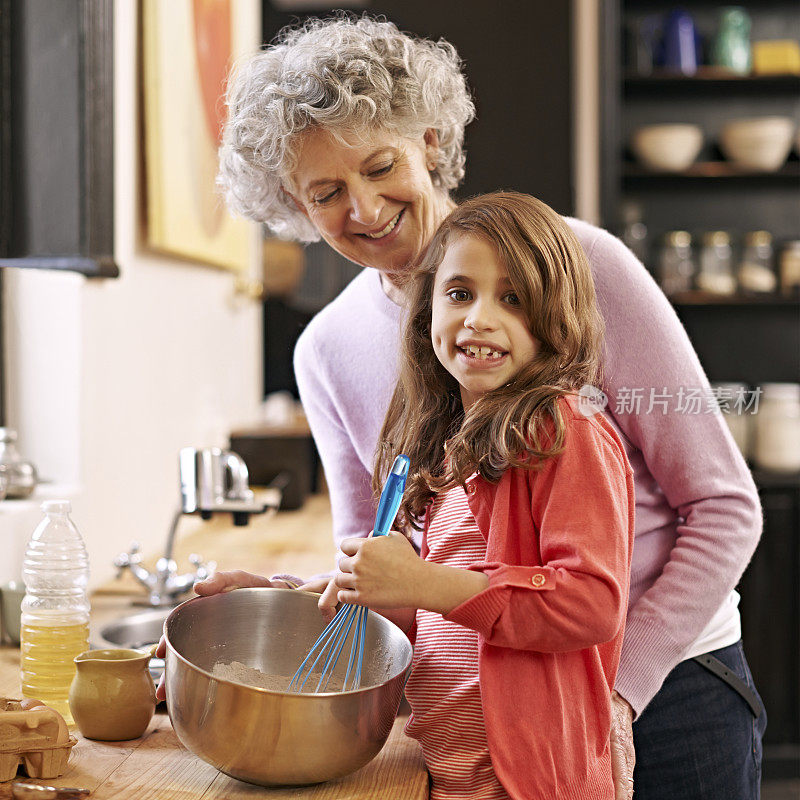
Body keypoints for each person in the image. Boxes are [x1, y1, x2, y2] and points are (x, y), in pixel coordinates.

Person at [157, 15, 766, 800]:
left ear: (433, 143)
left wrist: (617, 689)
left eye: (381, 166)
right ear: (292, 206)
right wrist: (280, 603)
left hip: (673, 681)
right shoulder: (327, 351)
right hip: (506, 712)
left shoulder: (582, 267)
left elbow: (724, 507)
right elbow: (388, 563)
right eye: (327, 192)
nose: (365, 208)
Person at [321, 190, 635, 799]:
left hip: (533, 783)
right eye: (460, 293)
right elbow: (447, 619)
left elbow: (591, 601)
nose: (479, 318)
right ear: (427, 312)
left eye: (512, 299)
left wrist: (424, 583)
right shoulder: (448, 448)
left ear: (557, 318)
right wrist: (333, 593)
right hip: (455, 773)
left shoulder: (564, 429)